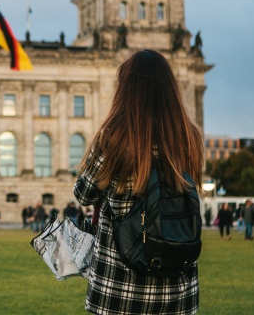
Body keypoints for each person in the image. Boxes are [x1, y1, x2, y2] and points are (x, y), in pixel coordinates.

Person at [73, 50, 201, 314]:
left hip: (120, 290)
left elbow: (84, 194)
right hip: (178, 293)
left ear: (127, 90)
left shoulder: (115, 136)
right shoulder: (188, 137)